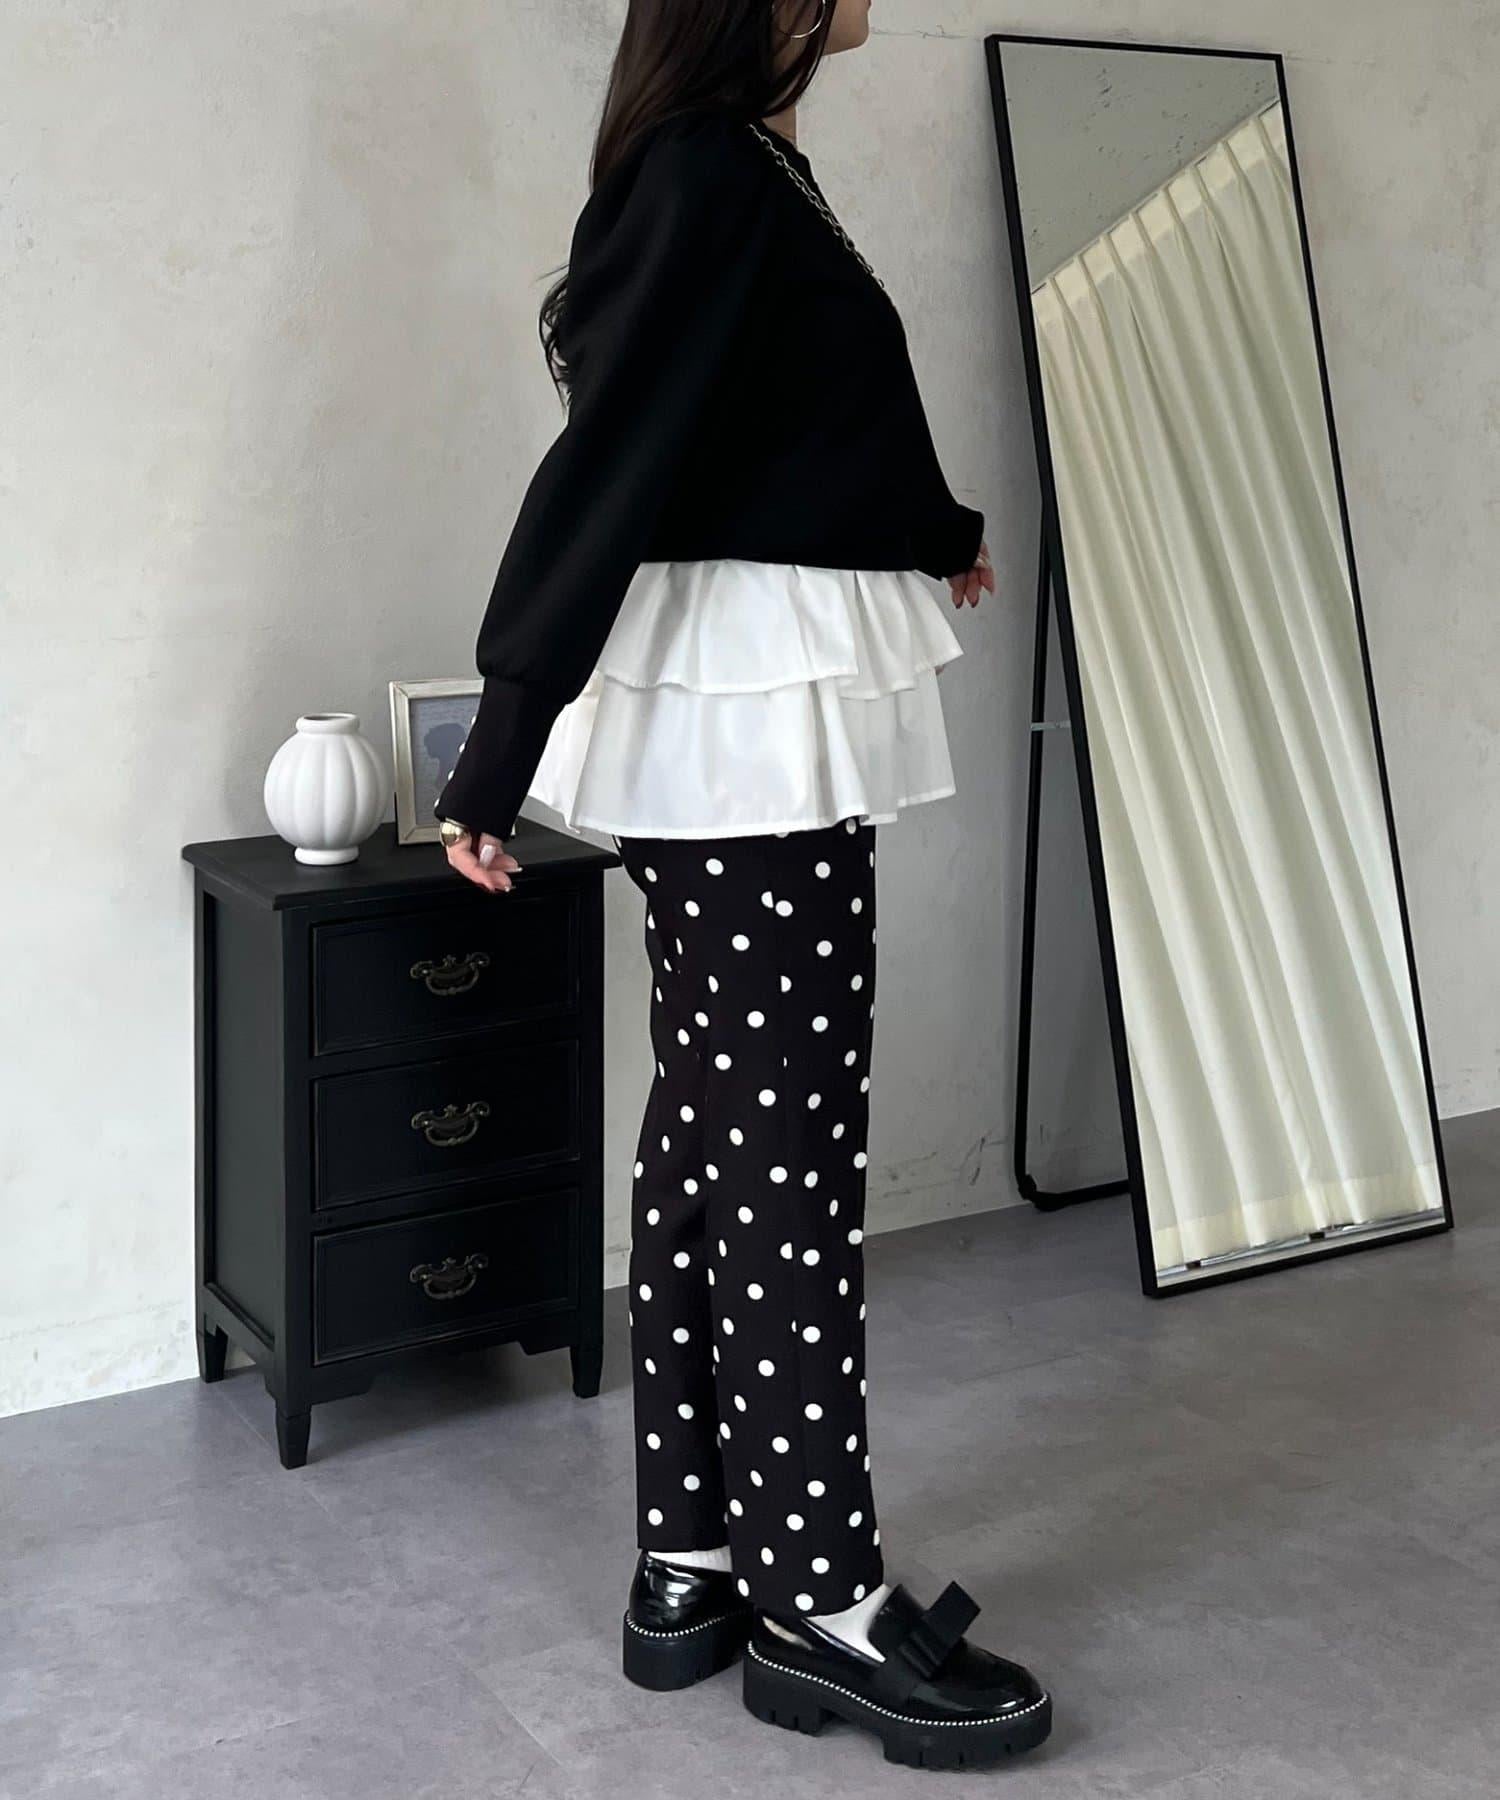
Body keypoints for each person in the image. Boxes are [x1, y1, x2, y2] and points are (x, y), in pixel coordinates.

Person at [434, 0, 1052, 1770]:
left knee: (713, 1136)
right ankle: (821, 1602)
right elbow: (616, 463)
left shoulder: (751, 167)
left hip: (743, 719)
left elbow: (780, 426)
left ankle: (693, 1564)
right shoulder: (707, 170)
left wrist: (933, 531)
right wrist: (500, 741)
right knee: (782, 1152)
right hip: (740, 735)